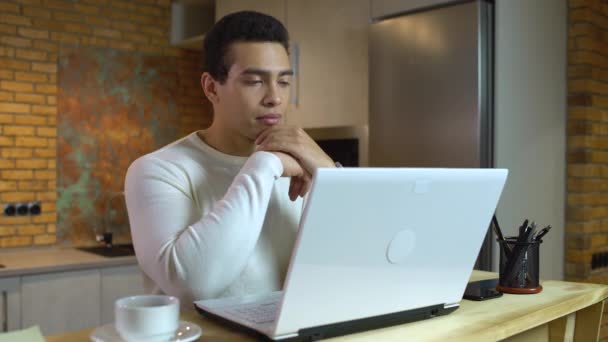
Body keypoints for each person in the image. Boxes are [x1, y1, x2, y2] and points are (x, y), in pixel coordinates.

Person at [124, 11, 336, 305]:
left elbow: (360, 265)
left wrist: (331, 175)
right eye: (254, 81)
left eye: (284, 82)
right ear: (212, 88)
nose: (274, 97)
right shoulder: (158, 170)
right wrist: (264, 165)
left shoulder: (305, 167)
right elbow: (193, 285)